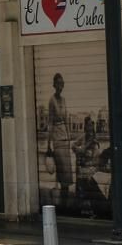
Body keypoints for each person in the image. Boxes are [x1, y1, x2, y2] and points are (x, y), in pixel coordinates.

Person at [46, 73, 73, 205]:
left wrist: (69, 138)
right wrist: (48, 145)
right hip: (57, 140)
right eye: (58, 83)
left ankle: (65, 203)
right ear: (54, 85)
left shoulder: (64, 100)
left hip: (65, 140)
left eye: (62, 83)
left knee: (67, 174)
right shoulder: (52, 100)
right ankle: (62, 203)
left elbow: (67, 120)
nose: (60, 86)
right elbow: (50, 122)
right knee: (62, 173)